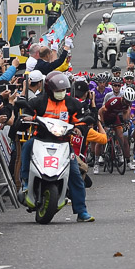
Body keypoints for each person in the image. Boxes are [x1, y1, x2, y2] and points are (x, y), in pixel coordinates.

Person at [22, 71, 94, 222]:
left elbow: (82, 118)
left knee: (75, 174)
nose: (61, 93)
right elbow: (26, 113)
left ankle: (82, 212)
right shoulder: (39, 102)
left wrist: (79, 128)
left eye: (63, 90)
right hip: (41, 139)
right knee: (27, 146)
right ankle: (24, 183)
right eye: (57, 91)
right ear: (49, 90)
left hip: (63, 143)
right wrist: (27, 117)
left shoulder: (72, 103)